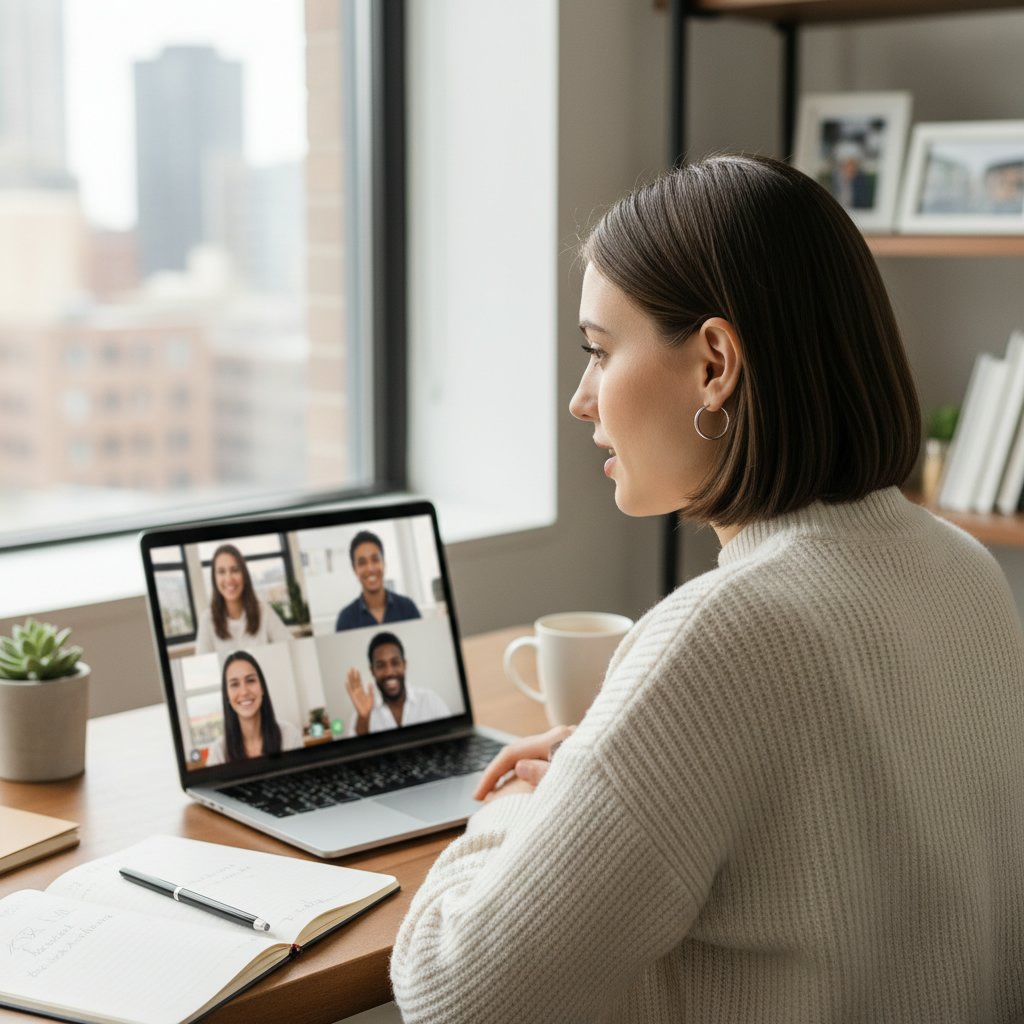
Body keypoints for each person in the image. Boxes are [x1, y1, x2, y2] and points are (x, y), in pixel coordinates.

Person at [389, 155, 1024, 1023]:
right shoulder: (965, 568)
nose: (582, 400)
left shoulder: (722, 633)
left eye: (600, 352)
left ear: (715, 364)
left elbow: (450, 992)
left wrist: (522, 802)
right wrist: (610, 766)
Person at [205, 650, 303, 765]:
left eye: (250, 680)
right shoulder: (219, 752)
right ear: (227, 695)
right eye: (234, 684)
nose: (244, 691)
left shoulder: (290, 736)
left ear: (262, 688)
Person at [345, 631, 450, 735]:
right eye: (381, 665)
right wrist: (364, 718)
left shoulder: (430, 700)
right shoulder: (362, 714)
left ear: (404, 665)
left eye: (395, 663)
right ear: (372, 671)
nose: (389, 672)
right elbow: (355, 749)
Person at [194, 543, 291, 655]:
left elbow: (289, 646)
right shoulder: (206, 620)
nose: (229, 579)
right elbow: (203, 664)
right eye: (221, 572)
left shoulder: (263, 611)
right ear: (214, 579)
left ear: (244, 575)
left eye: (235, 570)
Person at [335, 530, 422, 631]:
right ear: (355, 569)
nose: (370, 568)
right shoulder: (346, 619)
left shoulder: (407, 608)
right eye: (362, 563)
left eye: (375, 559)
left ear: (384, 563)